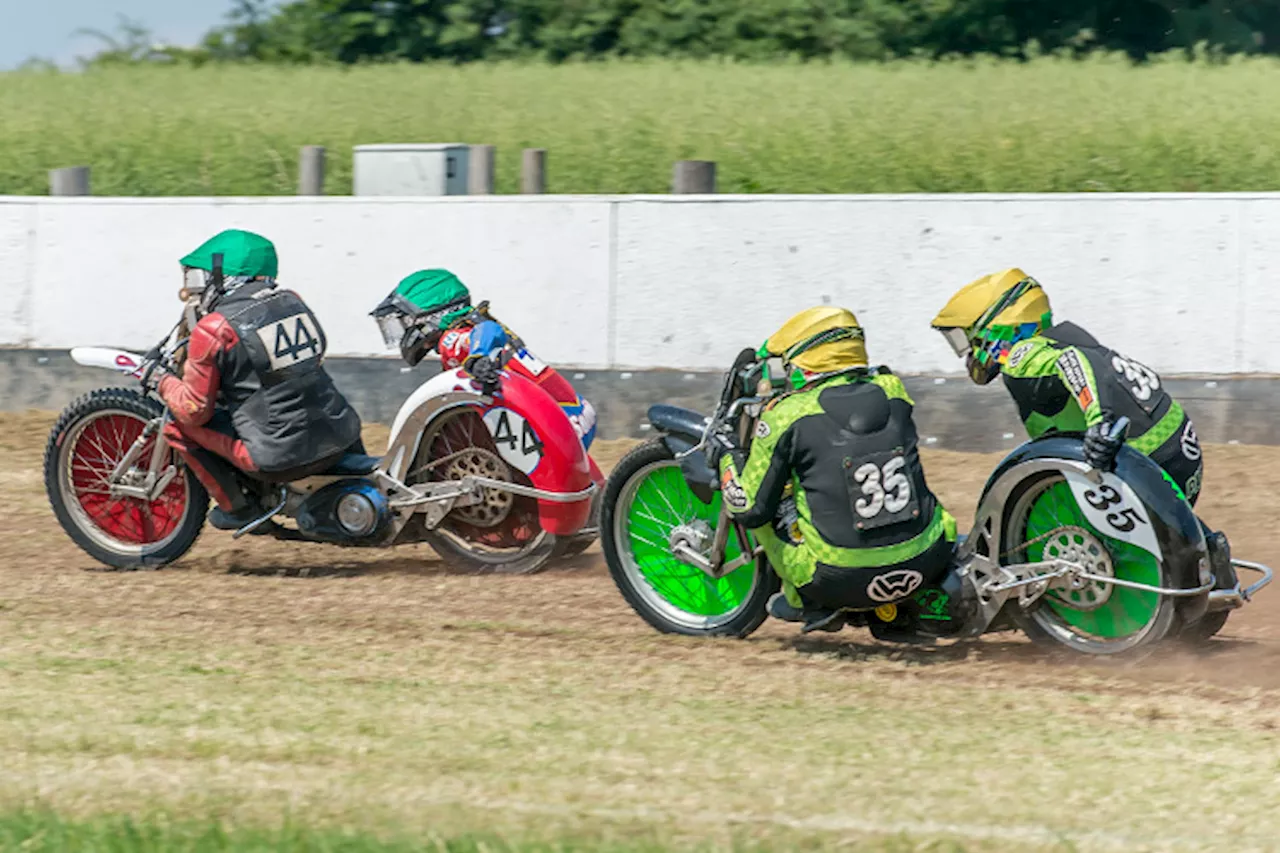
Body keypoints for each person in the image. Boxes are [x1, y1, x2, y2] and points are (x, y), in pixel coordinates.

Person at [928, 267, 1233, 589]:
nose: (967, 352)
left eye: (966, 339)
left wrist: (1100, 421)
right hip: (1180, 452)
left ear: (998, 326)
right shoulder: (1061, 337)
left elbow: (1072, 362)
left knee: (1041, 512)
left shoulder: (1022, 354)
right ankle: (1206, 549)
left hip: (1147, 457)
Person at [710, 307, 957, 634]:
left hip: (837, 579)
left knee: (767, 512)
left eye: (789, 364)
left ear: (806, 362)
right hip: (927, 562)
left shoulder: (788, 415)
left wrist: (727, 456)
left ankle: (805, 602)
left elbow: (751, 509)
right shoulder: (893, 389)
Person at [158, 229, 363, 531]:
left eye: (197, 280)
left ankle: (238, 509)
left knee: (177, 426)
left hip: (279, 458)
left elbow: (194, 409)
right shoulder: (293, 302)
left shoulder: (215, 327)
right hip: (341, 436)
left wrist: (162, 381)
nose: (192, 292)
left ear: (221, 276)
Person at [369, 268, 597, 450]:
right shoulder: (470, 324)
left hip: (560, 425)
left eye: (406, 322)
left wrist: (479, 356)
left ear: (430, 316)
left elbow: (488, 331)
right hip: (575, 413)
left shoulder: (453, 339)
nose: (405, 332)